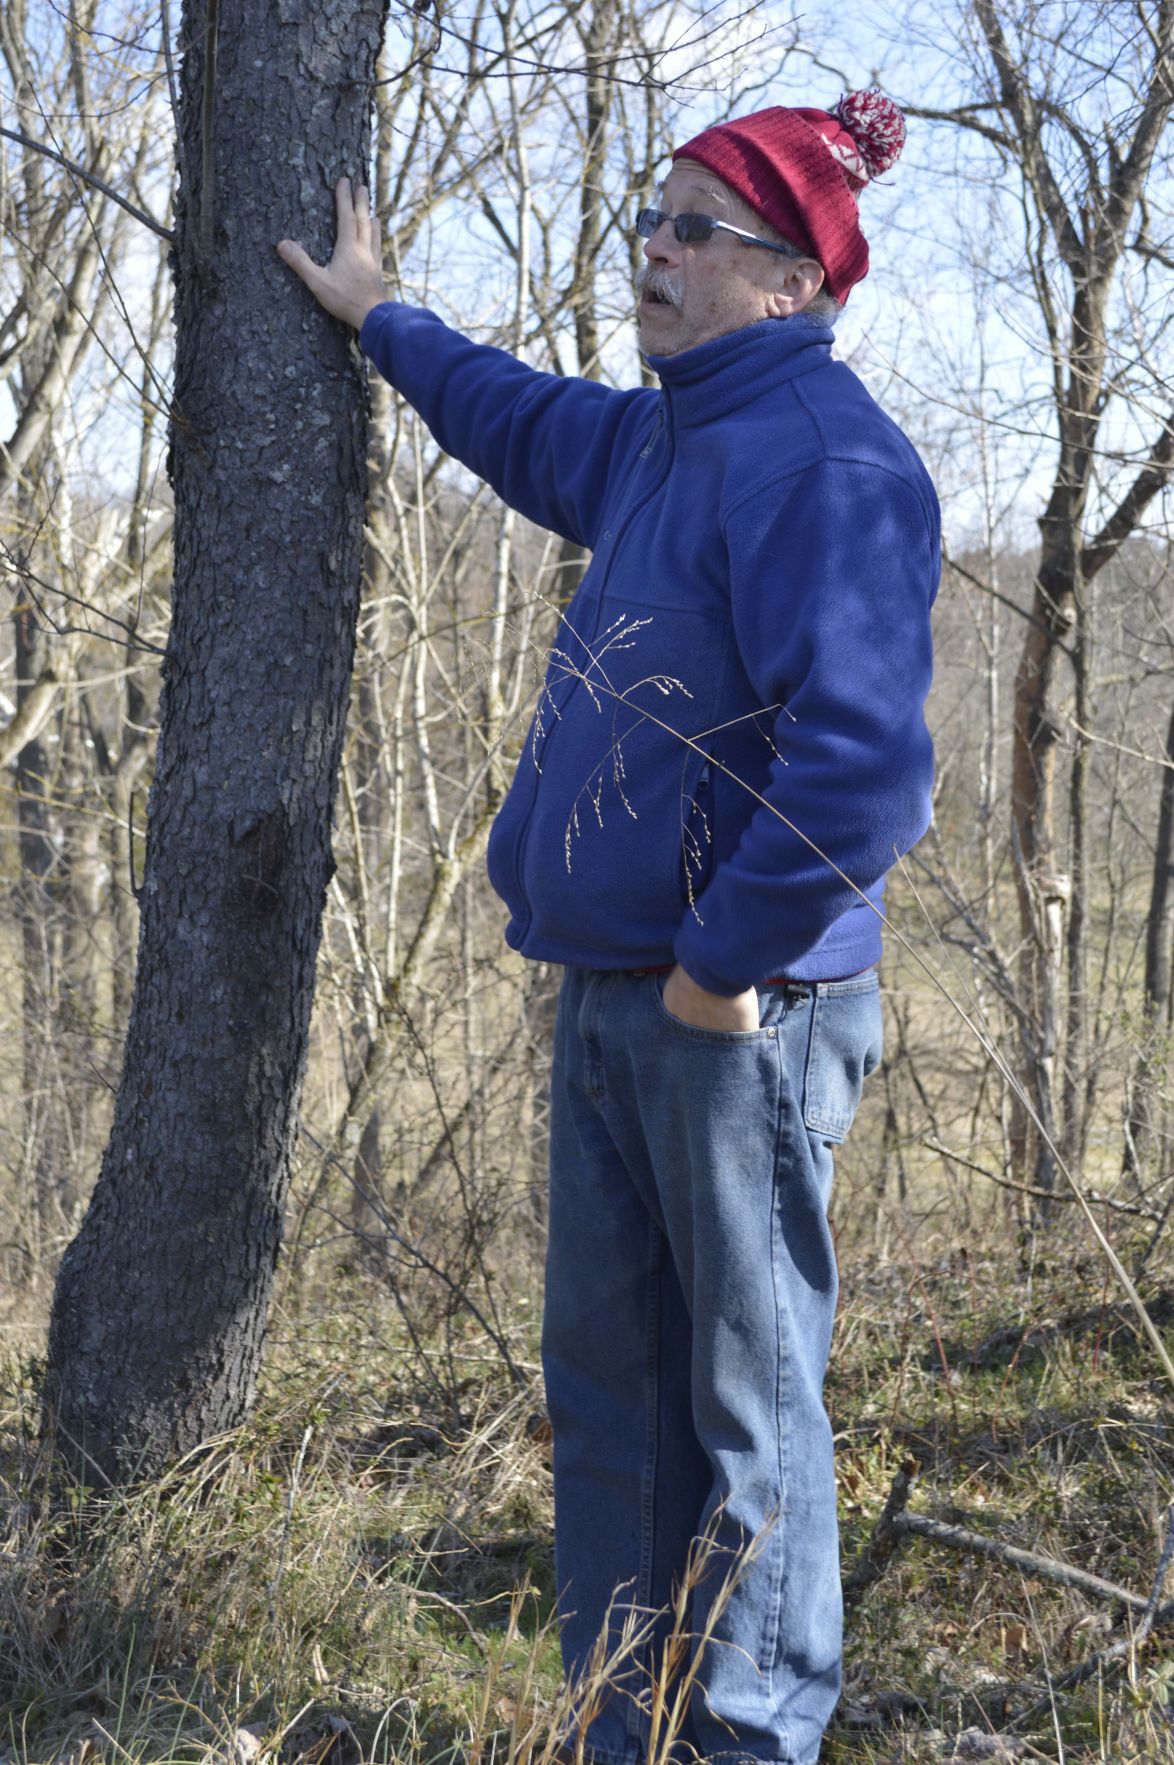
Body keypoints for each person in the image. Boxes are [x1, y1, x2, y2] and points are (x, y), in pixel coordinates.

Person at [278, 89, 938, 1765]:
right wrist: (381, 319)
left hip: (740, 1012)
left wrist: (723, 967)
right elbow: (509, 417)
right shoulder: (661, 436)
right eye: (651, 215)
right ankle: (614, 1727)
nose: (650, 246)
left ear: (787, 279)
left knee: (743, 1406)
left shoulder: (825, 461)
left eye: (692, 226)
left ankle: (743, 1737)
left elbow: (860, 770)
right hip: (606, 992)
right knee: (612, 1398)